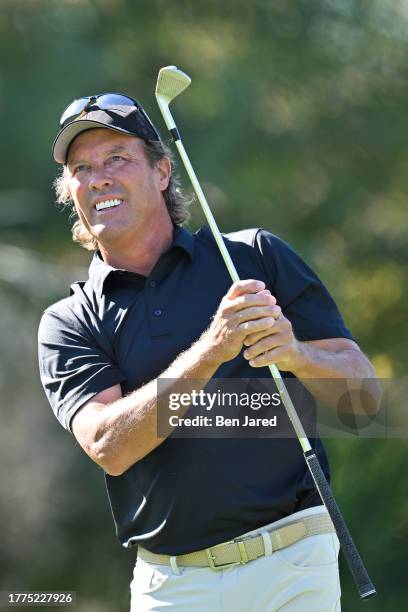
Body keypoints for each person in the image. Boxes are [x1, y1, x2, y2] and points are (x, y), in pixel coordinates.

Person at [38, 93, 380, 611]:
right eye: (81, 168)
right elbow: (109, 446)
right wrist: (211, 351)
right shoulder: (70, 321)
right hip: (174, 585)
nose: (98, 178)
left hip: (293, 557)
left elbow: (364, 399)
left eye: (117, 159)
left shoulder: (253, 257)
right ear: (72, 192)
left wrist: (294, 354)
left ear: (162, 171)